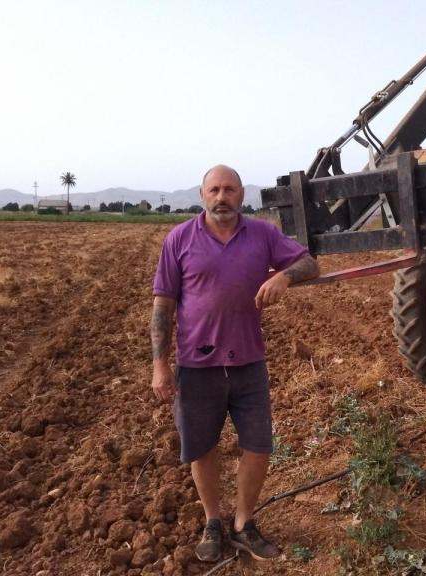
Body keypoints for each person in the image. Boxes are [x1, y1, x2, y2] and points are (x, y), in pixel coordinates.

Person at [149, 164, 320, 562]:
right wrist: (160, 365)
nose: (221, 197)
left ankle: (243, 523)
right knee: (201, 448)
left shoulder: (263, 234)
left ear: (242, 194)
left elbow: (310, 263)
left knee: (258, 446)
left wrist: (284, 277)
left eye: (229, 190)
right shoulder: (179, 239)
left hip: (248, 363)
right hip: (196, 365)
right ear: (202, 195)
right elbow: (163, 306)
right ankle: (213, 521)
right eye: (214, 190)